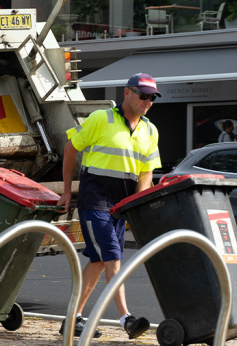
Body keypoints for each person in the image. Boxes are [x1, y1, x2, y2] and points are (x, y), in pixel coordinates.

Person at [58, 73, 161, 340]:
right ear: (127, 93)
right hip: (95, 200)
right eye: (143, 95)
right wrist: (67, 191)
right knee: (112, 255)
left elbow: (146, 173)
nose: (147, 101)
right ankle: (126, 318)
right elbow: (71, 149)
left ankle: (72, 318)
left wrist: (138, 204)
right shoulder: (101, 119)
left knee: (99, 261)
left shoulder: (150, 130)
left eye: (152, 97)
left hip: (122, 205)